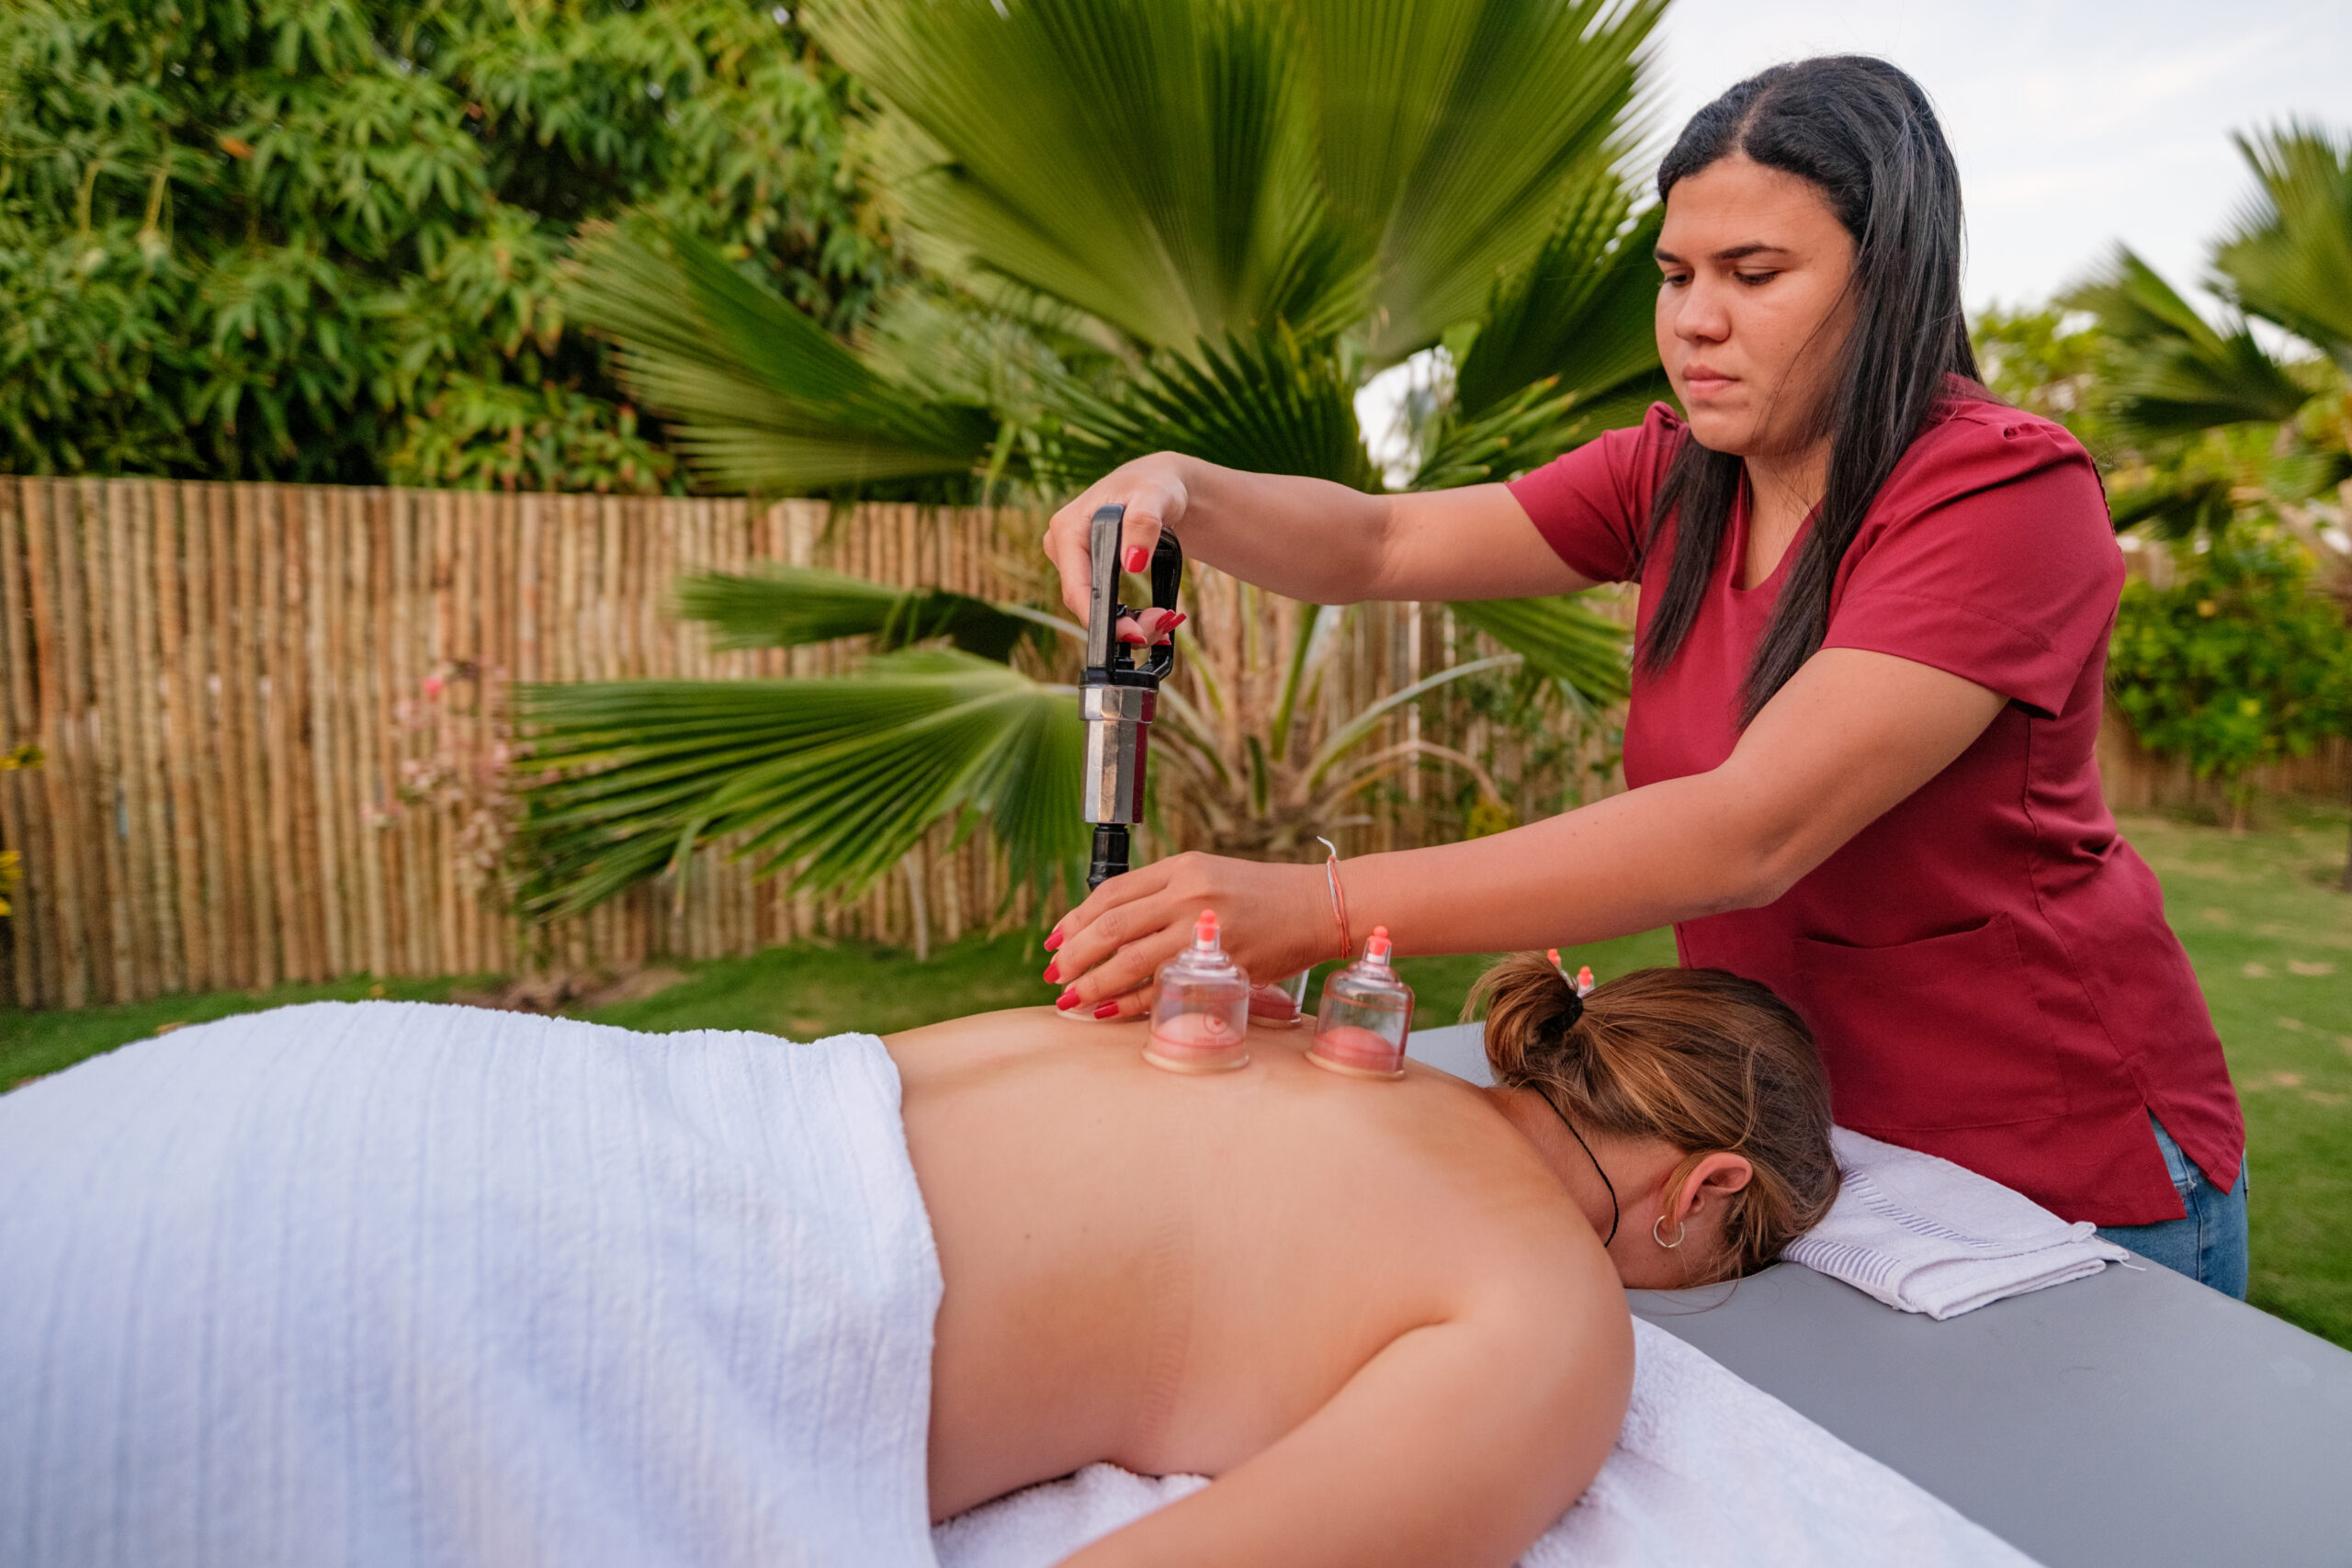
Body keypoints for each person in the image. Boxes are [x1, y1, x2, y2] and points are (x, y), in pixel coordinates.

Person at [1036, 56, 2246, 1292]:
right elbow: (1380, 542)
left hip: (2052, 1153)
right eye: (1676, 275)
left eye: (1754, 275)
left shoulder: (2003, 493)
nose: (1694, 321)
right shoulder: (1678, 475)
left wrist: (1321, 908)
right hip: (1788, 1137)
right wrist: (1179, 485)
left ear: (1891, 278)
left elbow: (1753, 829)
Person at [0, 962, 1837, 1568]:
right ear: (1705, 1189)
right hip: (503, 1297)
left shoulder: (1273, 1023)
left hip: (381, 1088)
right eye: (1737, 1250)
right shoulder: (1547, 1312)